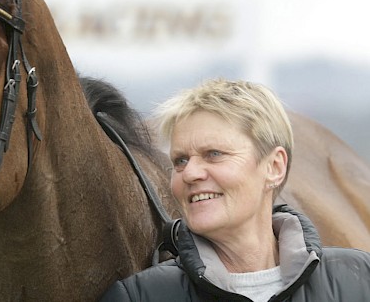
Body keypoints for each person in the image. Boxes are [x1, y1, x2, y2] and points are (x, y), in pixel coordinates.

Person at [99, 78, 370, 302]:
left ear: (274, 167)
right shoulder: (136, 298)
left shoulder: (359, 280)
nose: (190, 173)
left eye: (214, 154)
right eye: (180, 160)